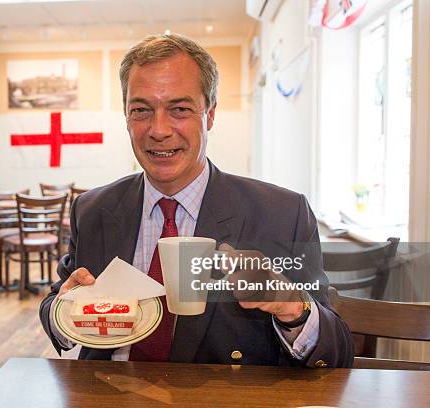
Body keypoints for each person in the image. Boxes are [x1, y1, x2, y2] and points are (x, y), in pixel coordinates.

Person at [39, 33, 354, 367]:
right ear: (126, 117)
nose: (158, 129)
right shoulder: (92, 209)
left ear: (211, 115)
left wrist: (291, 305)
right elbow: (58, 302)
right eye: (141, 110)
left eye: (180, 109)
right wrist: (64, 312)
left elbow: (338, 353)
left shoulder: (281, 214)